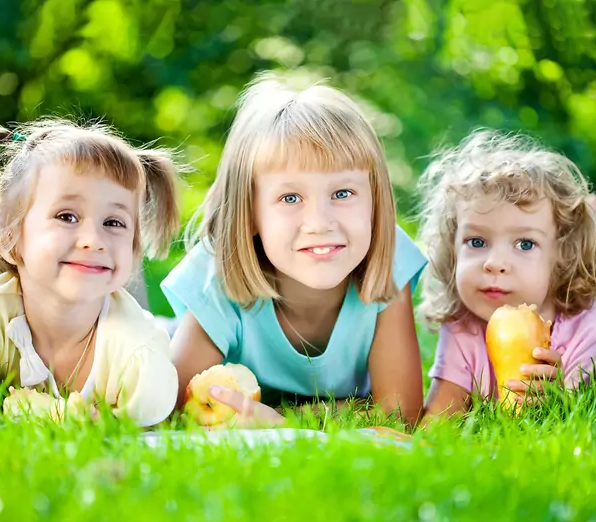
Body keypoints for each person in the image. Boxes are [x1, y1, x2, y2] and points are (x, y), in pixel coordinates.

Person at [160, 74, 427, 427]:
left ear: (375, 202)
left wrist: (283, 419)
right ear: (249, 213)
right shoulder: (217, 275)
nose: (320, 222)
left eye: (342, 193)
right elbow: (172, 411)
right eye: (290, 198)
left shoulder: (389, 259)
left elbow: (399, 412)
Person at [0, 118, 181, 428]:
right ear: (8, 237)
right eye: (67, 216)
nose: (93, 240)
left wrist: (103, 426)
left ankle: (174, 326)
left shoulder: (139, 351)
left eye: (113, 222)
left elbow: (151, 434)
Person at [415, 129, 596, 419]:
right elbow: (438, 418)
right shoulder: (462, 325)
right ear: (453, 248)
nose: (494, 263)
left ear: (562, 255)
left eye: (524, 244)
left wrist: (559, 397)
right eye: (477, 242)